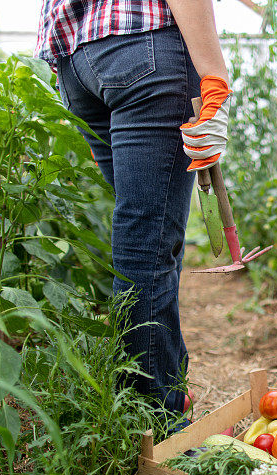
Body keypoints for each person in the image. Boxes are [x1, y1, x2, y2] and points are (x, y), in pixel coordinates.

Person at [36, 0, 232, 429]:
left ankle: (164, 384)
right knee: (148, 248)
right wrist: (214, 77)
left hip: (74, 61)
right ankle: (154, 424)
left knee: (148, 236)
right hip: (141, 47)